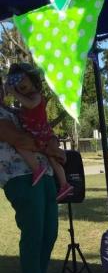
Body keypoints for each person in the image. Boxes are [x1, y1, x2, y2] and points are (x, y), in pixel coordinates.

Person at [0, 76, 62, 273]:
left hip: (43, 173)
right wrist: (47, 146)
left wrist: (52, 142)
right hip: (19, 177)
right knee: (34, 230)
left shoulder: (16, 110)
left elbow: (43, 127)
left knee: (50, 230)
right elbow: (18, 138)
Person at [6, 63, 73, 201]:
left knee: (20, 145)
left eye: (22, 78)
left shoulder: (37, 96)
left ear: (33, 80)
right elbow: (23, 111)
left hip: (41, 135)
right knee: (51, 158)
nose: (19, 83)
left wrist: (13, 92)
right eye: (16, 81)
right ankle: (64, 184)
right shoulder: (24, 102)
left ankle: (38, 169)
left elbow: (30, 105)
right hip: (37, 135)